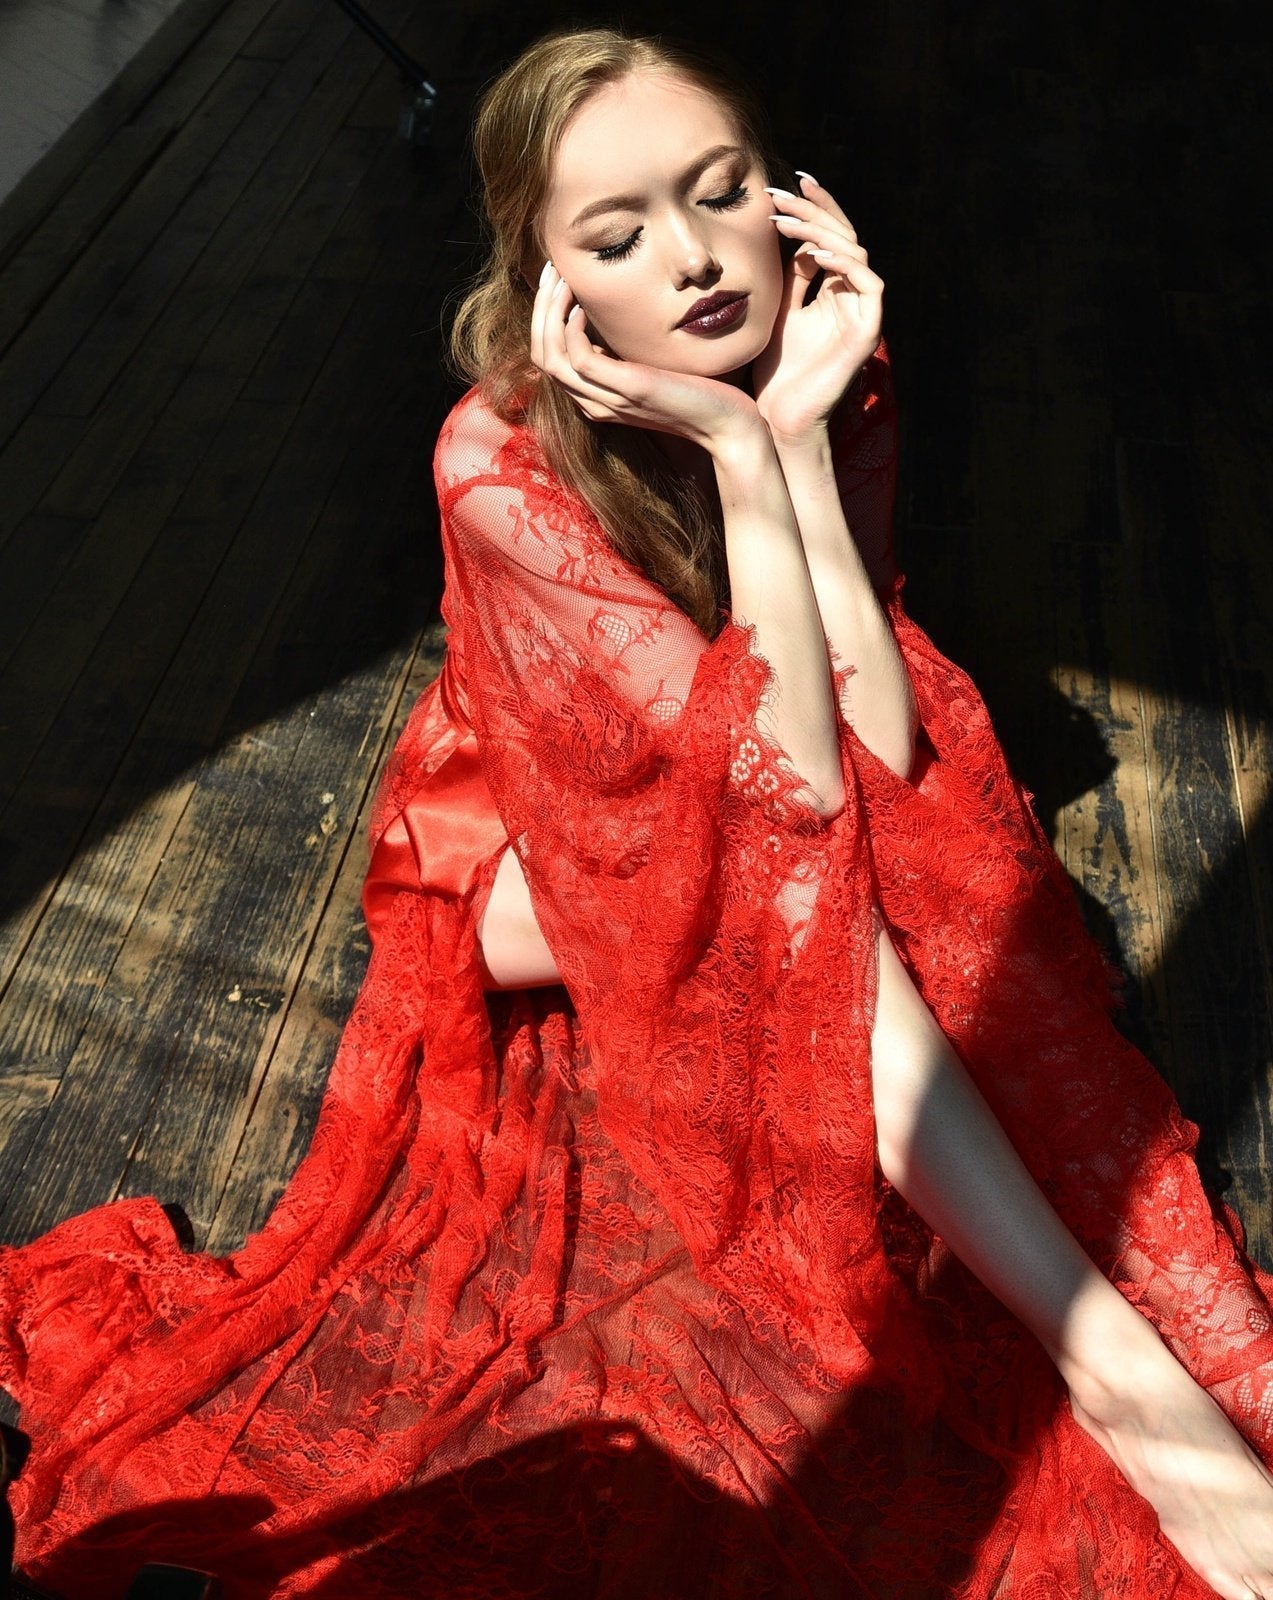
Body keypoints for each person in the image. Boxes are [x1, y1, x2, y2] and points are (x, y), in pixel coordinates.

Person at [3, 25, 1273, 1600]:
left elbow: (872, 738)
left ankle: (1109, 1368)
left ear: (786, 200)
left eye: (720, 192)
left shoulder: (817, 367)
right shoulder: (498, 458)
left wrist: (788, 445)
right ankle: (1119, 1376)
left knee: (862, 890)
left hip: (744, 793)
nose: (689, 260)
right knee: (806, 908)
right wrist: (742, 461)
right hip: (522, 862)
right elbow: (785, 799)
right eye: (613, 236)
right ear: (545, 283)